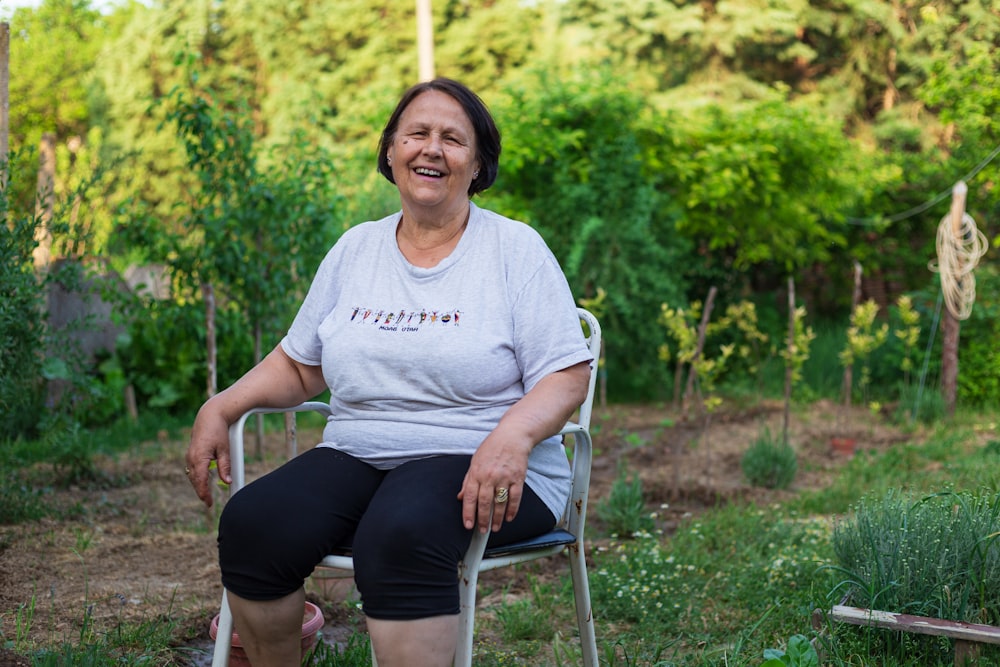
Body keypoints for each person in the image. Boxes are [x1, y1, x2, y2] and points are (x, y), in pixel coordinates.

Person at [184, 77, 593, 667]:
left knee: (401, 527)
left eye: (452, 139)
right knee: (255, 521)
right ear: (391, 152)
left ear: (477, 165)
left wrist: (514, 435)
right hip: (360, 455)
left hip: (492, 466)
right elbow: (301, 365)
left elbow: (565, 375)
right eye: (416, 134)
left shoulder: (515, 249)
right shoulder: (356, 249)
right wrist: (221, 405)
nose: (431, 149)